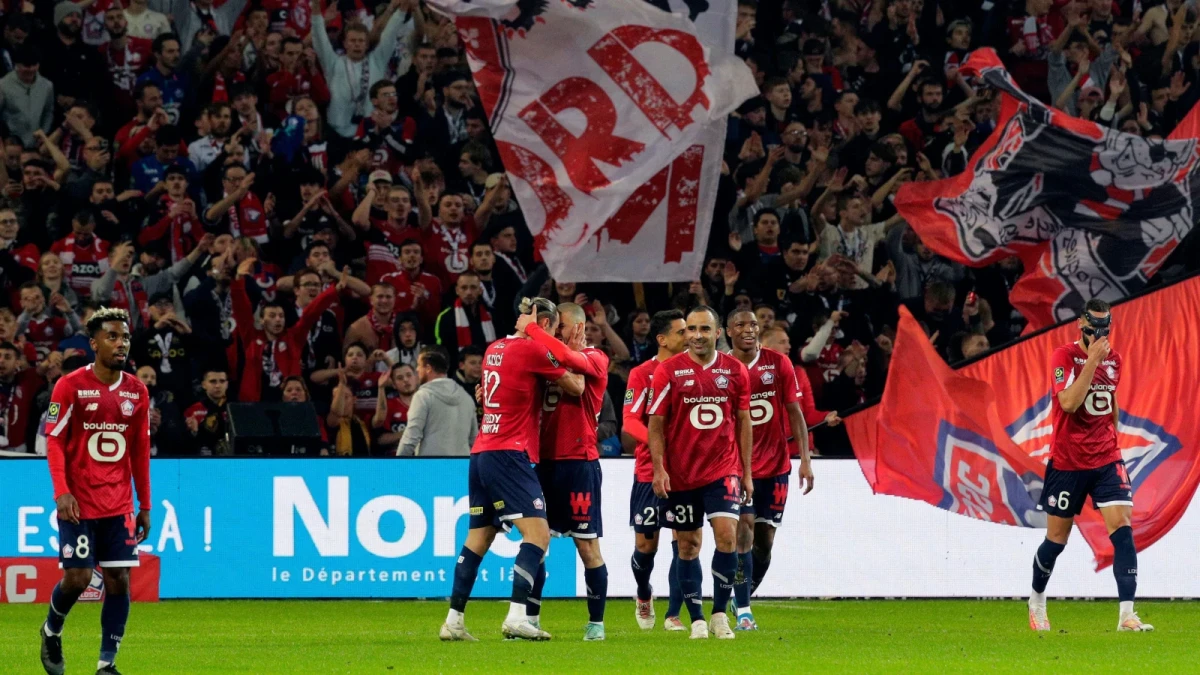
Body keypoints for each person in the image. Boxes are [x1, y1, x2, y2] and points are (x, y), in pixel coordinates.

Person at [440, 297, 583, 642]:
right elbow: (577, 386)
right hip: (510, 452)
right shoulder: (534, 351)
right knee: (538, 535)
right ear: (544, 324)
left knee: (478, 538)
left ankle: (453, 621)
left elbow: (503, 392)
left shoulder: (494, 348)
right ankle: (517, 615)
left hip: (482, 451)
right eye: (556, 328)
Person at [1029, 299, 1152, 632]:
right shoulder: (1063, 357)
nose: (1098, 335)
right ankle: (1037, 601)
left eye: (1104, 329)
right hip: (1068, 461)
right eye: (1092, 328)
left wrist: (1111, 435)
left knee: (1124, 531)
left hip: (1105, 458)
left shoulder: (1116, 360)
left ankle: (1127, 614)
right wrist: (1092, 362)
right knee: (1056, 540)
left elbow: (1110, 403)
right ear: (1080, 326)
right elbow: (1067, 403)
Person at [40, 307, 151, 675]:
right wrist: (62, 492)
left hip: (118, 502)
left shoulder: (137, 392)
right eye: (112, 337)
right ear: (94, 343)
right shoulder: (69, 385)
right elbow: (53, 442)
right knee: (79, 578)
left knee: (119, 579)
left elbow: (139, 452)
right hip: (79, 501)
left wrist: (145, 504)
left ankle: (107, 664)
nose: (121, 344)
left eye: (125, 337)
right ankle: (52, 629)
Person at [647, 305, 753, 640]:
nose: (697, 336)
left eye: (704, 329)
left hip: (723, 469)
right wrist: (660, 468)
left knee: (727, 537)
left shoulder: (735, 371)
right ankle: (696, 619)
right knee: (688, 546)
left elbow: (744, 422)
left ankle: (720, 614)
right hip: (681, 475)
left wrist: (746, 472)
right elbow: (656, 424)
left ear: (717, 333)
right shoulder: (669, 371)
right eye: (691, 330)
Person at [518, 302, 611, 641]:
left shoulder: (596, 358)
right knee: (536, 544)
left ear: (577, 329)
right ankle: (530, 618)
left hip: (578, 464)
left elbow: (576, 379)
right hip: (541, 464)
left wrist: (533, 331)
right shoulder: (544, 359)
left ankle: (596, 623)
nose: (552, 336)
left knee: (587, 548)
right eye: (550, 330)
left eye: (558, 330)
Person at [724, 309, 813, 630]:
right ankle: (745, 609)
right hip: (735, 466)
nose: (749, 330)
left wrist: (804, 459)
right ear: (728, 331)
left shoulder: (778, 364)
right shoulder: (722, 368)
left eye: (753, 325)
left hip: (775, 466)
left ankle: (740, 595)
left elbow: (795, 412)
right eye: (741, 325)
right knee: (743, 532)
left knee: (765, 542)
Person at [622, 309, 688, 631]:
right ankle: (643, 592)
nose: (690, 336)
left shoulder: (693, 372)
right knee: (646, 548)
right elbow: (630, 420)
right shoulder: (641, 374)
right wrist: (658, 442)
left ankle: (673, 613)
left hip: (688, 473)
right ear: (662, 339)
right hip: (649, 471)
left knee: (684, 542)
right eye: (682, 332)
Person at [397, 348, 477, 457]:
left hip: (432, 468)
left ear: (428, 368)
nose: (417, 369)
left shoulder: (423, 396)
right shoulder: (466, 397)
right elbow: (474, 442)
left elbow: (411, 438)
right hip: (460, 468)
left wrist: (397, 466)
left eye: (419, 365)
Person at [372, 361, 416, 453]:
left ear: (416, 378)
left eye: (409, 375)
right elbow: (380, 440)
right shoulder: (388, 406)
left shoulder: (427, 403)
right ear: (394, 385)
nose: (406, 380)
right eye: (400, 378)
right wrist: (406, 433)